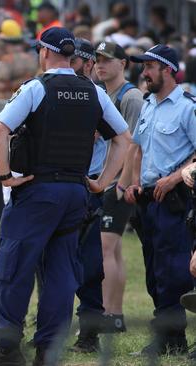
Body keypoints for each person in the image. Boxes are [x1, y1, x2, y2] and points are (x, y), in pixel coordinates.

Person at [0, 27, 130, 365]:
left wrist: (5, 176)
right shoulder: (94, 91)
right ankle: (49, 349)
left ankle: (5, 347)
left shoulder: (37, 87)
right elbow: (123, 138)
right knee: (62, 272)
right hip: (75, 193)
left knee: (14, 265)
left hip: (37, 191)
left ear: (45, 52)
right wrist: (101, 181)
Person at [122, 45, 196, 356]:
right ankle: (169, 338)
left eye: (150, 66)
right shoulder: (149, 104)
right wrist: (134, 182)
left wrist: (175, 178)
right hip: (149, 199)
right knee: (154, 271)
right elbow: (138, 147)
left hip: (176, 198)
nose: (144, 72)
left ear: (168, 69)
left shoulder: (188, 108)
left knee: (173, 271)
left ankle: (172, 337)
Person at [94, 41, 144, 334]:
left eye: (107, 60)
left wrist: (122, 183)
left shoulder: (131, 97)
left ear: (123, 64)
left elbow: (134, 145)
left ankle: (110, 314)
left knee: (106, 248)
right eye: (98, 60)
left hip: (118, 184)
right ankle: (114, 314)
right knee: (112, 251)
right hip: (107, 181)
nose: (101, 65)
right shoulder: (103, 94)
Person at [66, 38, 109, 354]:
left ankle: (90, 333)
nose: (68, 65)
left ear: (89, 63)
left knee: (90, 266)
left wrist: (104, 182)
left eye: (74, 60)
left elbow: (123, 141)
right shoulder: (54, 90)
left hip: (88, 190)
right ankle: (51, 329)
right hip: (57, 187)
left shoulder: (98, 97)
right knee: (53, 264)